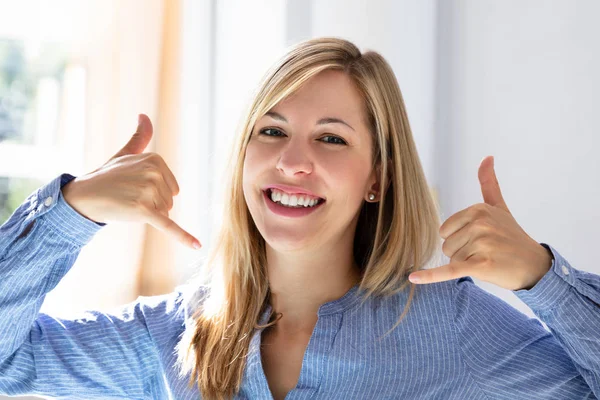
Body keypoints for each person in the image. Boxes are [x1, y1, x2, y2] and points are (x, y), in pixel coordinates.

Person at [0, 37, 598, 400]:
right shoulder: (166, 337)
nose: (292, 162)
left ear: (377, 179)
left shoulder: (454, 329)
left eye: (331, 140)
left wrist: (543, 277)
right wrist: (69, 211)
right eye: (273, 131)